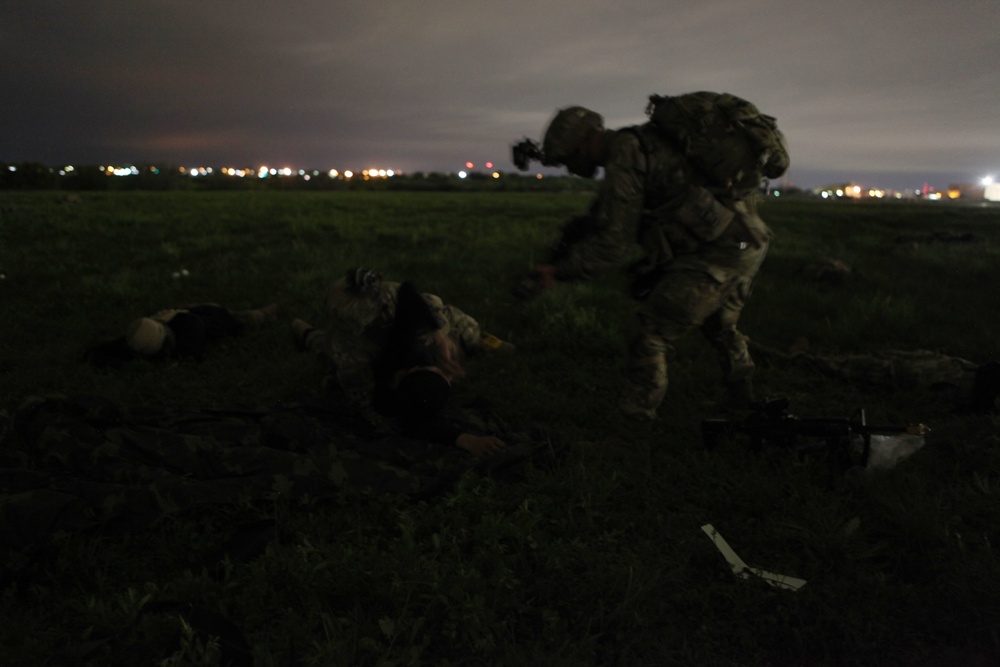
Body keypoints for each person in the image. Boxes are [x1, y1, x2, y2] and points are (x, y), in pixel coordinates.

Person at [513, 94, 789, 419]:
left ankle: (635, 418)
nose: (570, 167)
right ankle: (741, 399)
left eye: (569, 158)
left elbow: (613, 242)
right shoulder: (641, 142)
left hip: (720, 253)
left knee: (649, 333)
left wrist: (559, 272)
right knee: (720, 325)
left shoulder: (626, 153)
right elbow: (600, 216)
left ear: (584, 143)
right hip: (746, 242)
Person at [292, 267, 512, 456]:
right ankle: (307, 333)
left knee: (464, 328)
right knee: (329, 354)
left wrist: (440, 338)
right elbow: (368, 403)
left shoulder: (388, 298)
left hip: (402, 337)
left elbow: (412, 295)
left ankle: (305, 331)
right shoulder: (353, 349)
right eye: (445, 374)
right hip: (360, 345)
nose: (449, 372)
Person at [750, 339, 1000, 415]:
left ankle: (785, 356)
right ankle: (796, 356)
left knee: (856, 365)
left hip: (952, 377)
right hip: (955, 372)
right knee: (866, 361)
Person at [86, 303, 279, 367]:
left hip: (213, 315)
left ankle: (266, 313)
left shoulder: (190, 327)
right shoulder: (141, 335)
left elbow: (193, 357)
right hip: (193, 311)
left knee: (243, 319)